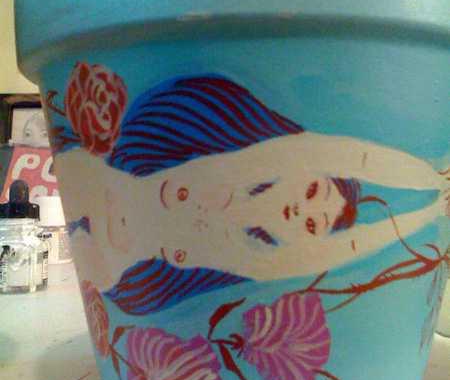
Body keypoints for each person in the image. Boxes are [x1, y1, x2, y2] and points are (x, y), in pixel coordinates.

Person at [55, 75, 449, 297]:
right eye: (313, 190)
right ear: (302, 169)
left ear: (307, 243)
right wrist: (433, 178)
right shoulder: (243, 166)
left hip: (110, 265)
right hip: (98, 185)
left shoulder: (250, 258)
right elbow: (352, 157)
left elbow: (350, 246)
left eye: (313, 225)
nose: (302, 210)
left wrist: (431, 210)